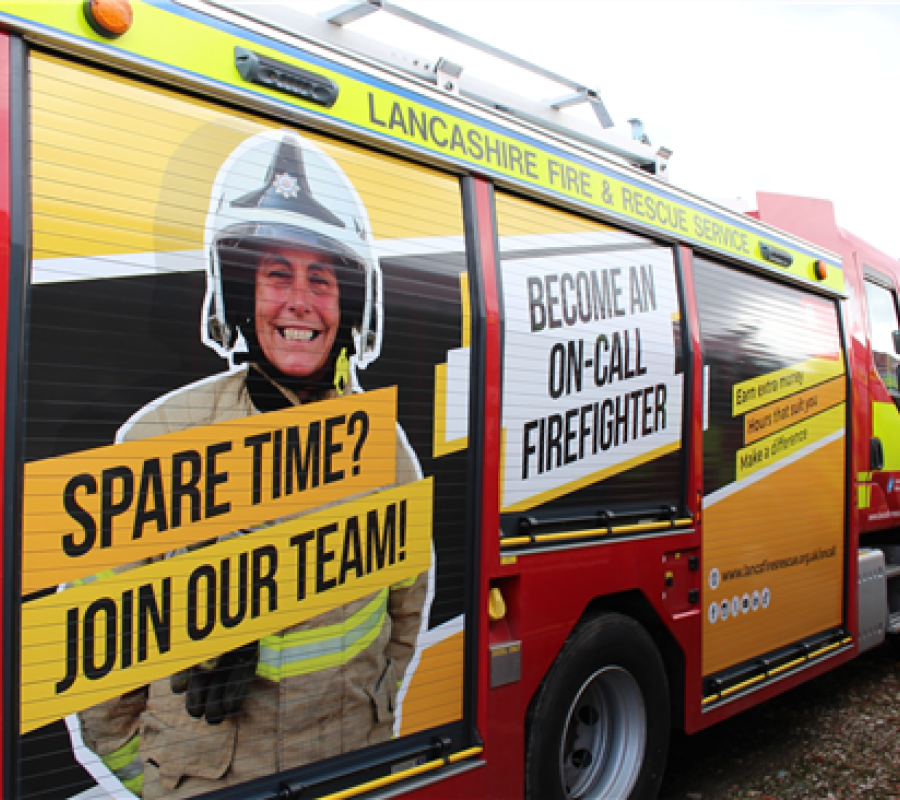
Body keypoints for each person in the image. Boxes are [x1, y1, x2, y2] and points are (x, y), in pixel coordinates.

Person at [74, 130, 429, 799]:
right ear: (241, 297)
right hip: (211, 780)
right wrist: (155, 779)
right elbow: (100, 649)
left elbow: (407, 608)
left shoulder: (382, 450)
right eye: (276, 276)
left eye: (321, 280)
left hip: (342, 762)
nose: (300, 301)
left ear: (348, 305)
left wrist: (375, 715)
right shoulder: (159, 439)